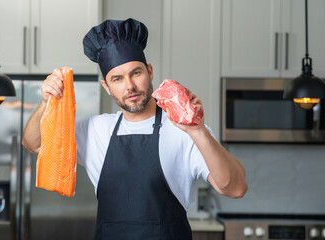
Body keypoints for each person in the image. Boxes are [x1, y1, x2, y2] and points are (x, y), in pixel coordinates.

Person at [22, 18, 247, 240]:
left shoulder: (185, 129)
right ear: (107, 87)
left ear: (149, 71)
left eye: (136, 73)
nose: (129, 86)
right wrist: (46, 102)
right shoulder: (96, 130)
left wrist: (199, 131)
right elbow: (34, 143)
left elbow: (235, 188)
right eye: (117, 79)